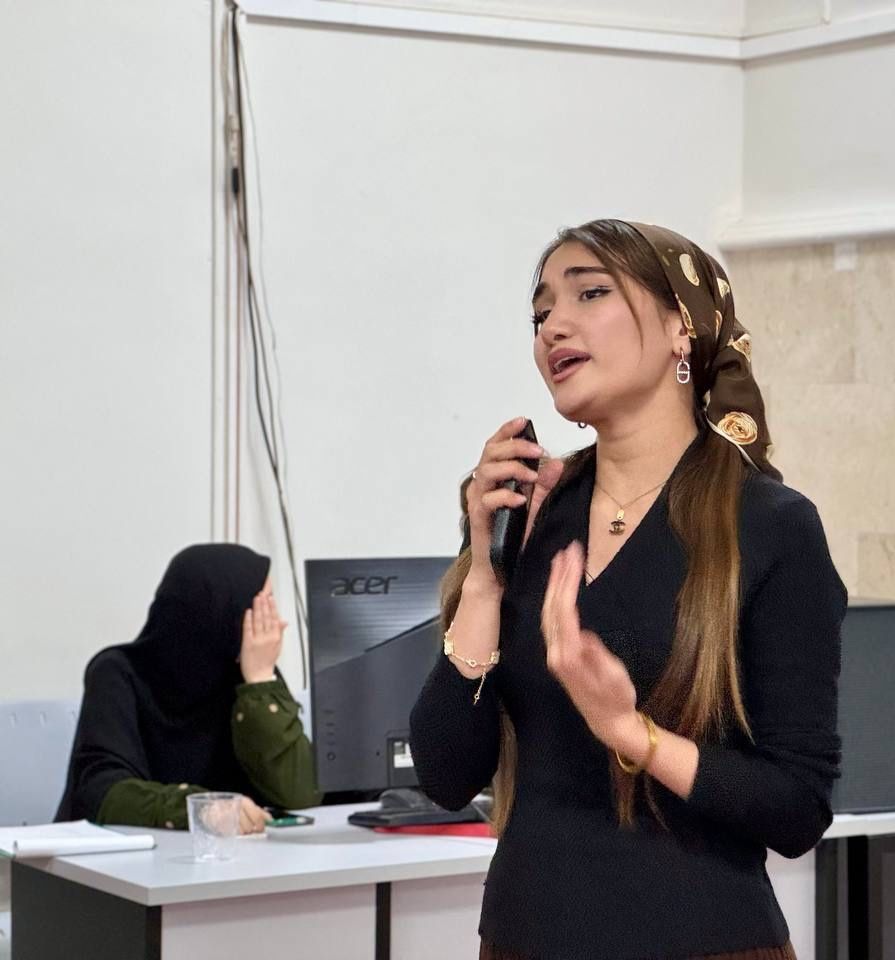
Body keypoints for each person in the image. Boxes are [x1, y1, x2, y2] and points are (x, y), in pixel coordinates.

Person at [410, 220, 847, 960]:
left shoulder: (770, 525)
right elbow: (446, 775)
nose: (554, 326)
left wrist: (629, 732)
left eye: (590, 293)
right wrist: (484, 575)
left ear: (681, 328)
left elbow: (797, 810)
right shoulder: (534, 514)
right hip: (520, 941)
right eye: (541, 312)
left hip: (704, 944)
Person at [56, 544, 321, 832]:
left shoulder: (252, 677)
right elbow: (100, 791)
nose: (277, 623)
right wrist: (198, 809)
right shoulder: (118, 673)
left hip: (235, 856)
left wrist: (260, 682)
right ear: (224, 611)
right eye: (264, 606)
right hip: (130, 855)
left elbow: (300, 796)